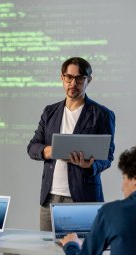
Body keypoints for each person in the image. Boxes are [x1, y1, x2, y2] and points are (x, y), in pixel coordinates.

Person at [27, 57, 115, 231]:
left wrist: (90, 166)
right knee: (45, 249)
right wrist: (48, 151)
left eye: (79, 78)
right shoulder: (50, 111)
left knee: (82, 249)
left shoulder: (102, 114)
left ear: (88, 80)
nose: (73, 83)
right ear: (62, 78)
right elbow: (32, 147)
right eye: (69, 77)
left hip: (83, 198)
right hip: (50, 198)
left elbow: (108, 156)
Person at [61, 141, 136, 255]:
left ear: (135, 178)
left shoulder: (111, 212)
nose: (122, 187)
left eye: (124, 177)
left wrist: (71, 245)